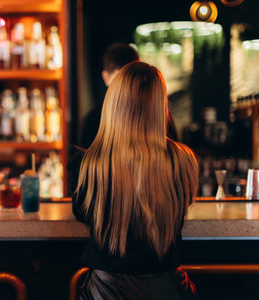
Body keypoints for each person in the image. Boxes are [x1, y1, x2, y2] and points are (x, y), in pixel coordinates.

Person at [69, 62, 199, 300]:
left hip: (107, 292)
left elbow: (82, 214)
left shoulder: (86, 165)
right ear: (160, 105)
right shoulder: (183, 161)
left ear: (113, 103)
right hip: (169, 290)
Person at [79, 43, 178, 149]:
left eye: (130, 81)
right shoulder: (157, 113)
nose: (124, 89)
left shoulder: (92, 120)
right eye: (118, 82)